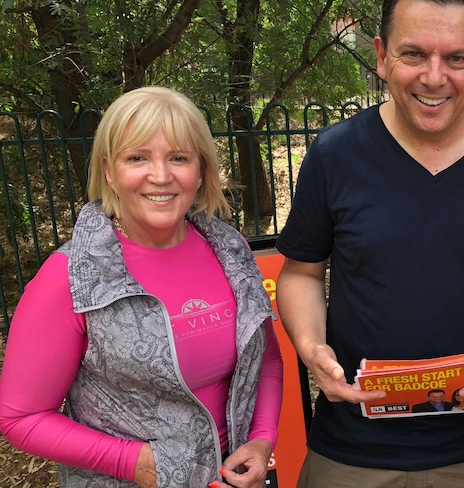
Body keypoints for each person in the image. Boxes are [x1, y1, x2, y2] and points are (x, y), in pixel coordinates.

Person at [275, 0, 464, 488]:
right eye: (414, 54)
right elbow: (301, 273)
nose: (434, 77)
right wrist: (312, 348)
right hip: (349, 442)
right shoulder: (335, 155)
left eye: (457, 58)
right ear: (381, 55)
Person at [0, 87, 284, 488]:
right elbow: (21, 418)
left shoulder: (230, 250)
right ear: (110, 171)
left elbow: (267, 360)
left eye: (179, 158)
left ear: (200, 171)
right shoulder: (70, 276)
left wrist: (261, 440)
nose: (161, 175)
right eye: (137, 158)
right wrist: (134, 463)